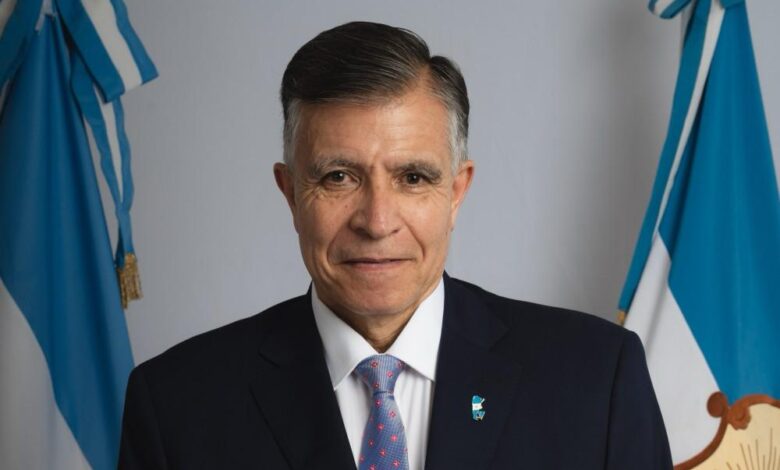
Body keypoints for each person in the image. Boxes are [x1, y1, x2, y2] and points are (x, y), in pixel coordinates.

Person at [118, 21, 672, 470]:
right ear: (290, 194)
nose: (377, 221)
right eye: (338, 177)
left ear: (456, 192)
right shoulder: (177, 406)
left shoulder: (596, 381)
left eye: (412, 178)